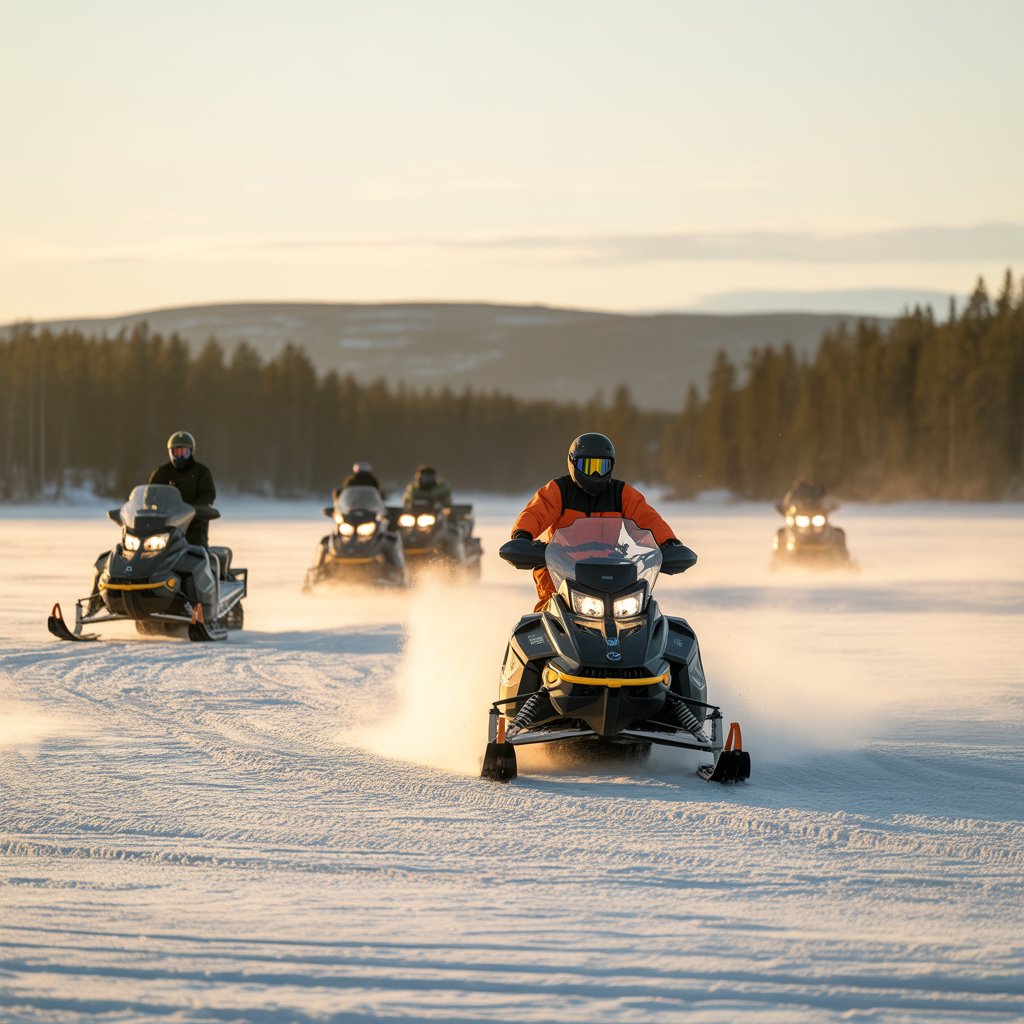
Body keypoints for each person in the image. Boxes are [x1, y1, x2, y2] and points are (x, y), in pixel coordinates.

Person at [511, 432, 682, 610]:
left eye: (602, 466)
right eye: (587, 466)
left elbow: (647, 519)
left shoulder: (620, 493)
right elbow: (537, 512)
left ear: (612, 466)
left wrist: (669, 543)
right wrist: (522, 537)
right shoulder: (559, 490)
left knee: (641, 612)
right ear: (573, 463)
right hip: (562, 572)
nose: (594, 473)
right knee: (547, 613)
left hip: (611, 574)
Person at [148, 430, 216, 547]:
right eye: (176, 452)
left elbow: (208, 495)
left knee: (197, 549)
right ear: (170, 453)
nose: (180, 456)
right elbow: (149, 496)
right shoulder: (161, 472)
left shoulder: (201, 471)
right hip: (164, 525)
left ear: (191, 452)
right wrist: (152, 509)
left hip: (193, 526)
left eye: (184, 452)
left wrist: (195, 510)